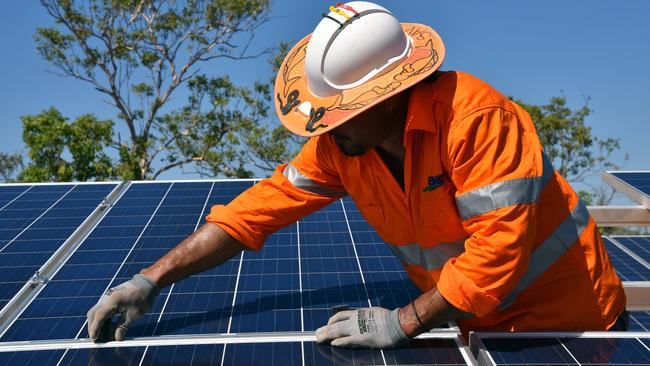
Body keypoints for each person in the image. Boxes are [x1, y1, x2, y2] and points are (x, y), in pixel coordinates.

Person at [87, 1, 627, 348]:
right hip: (470, 327)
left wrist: (403, 322)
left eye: (340, 112)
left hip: (569, 329)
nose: (325, 129)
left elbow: (495, 259)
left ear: (391, 97)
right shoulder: (341, 148)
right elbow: (253, 212)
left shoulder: (476, 122)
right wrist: (150, 279)